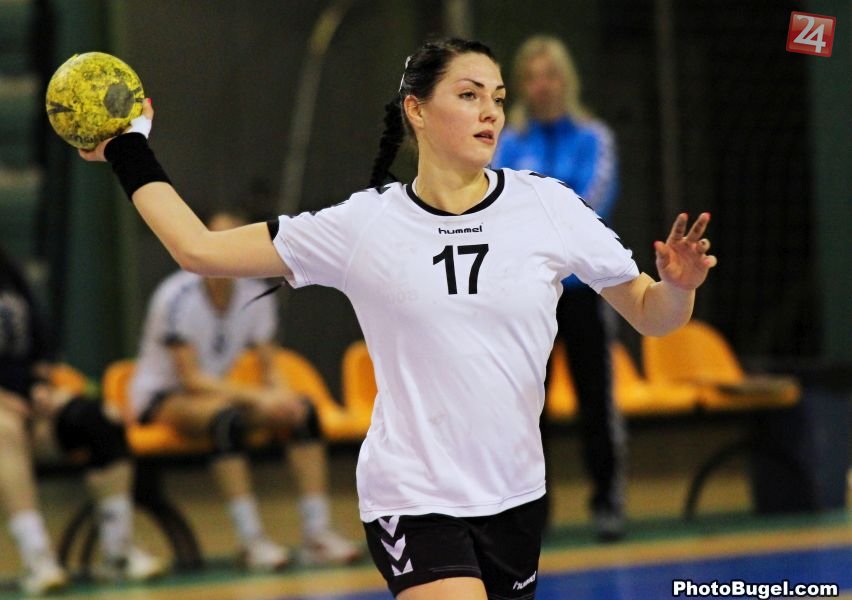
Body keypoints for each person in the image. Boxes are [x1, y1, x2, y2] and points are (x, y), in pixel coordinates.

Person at [79, 37, 716, 600]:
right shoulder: (365, 225)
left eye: (497, 97)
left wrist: (678, 287)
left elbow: (651, 315)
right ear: (417, 109)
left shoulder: (548, 206)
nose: (490, 111)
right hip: (412, 495)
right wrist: (129, 149)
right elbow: (200, 250)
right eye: (468, 95)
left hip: (515, 493)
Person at [130, 210, 362, 570]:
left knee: (303, 413)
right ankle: (249, 540)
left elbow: (270, 367)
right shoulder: (175, 296)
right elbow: (191, 380)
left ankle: (316, 533)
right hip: (163, 399)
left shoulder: (256, 293)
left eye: (231, 238)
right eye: (213, 238)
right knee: (226, 421)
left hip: (221, 395)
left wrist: (282, 397)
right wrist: (259, 397)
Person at [492, 35, 626, 541]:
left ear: (566, 80)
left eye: (550, 75)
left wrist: (543, 240)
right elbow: (498, 207)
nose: (542, 86)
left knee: (597, 399)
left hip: (584, 292)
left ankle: (607, 502)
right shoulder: (507, 143)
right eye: (532, 77)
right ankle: (532, 511)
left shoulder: (594, 138)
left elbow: (591, 204)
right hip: (527, 298)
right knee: (528, 405)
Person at [0, 244, 163, 596]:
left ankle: (118, 552)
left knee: (100, 418)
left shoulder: (10, 273)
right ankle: (37, 558)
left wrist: (41, 385)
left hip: (30, 404)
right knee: (3, 430)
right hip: (5, 417)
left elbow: (42, 345)